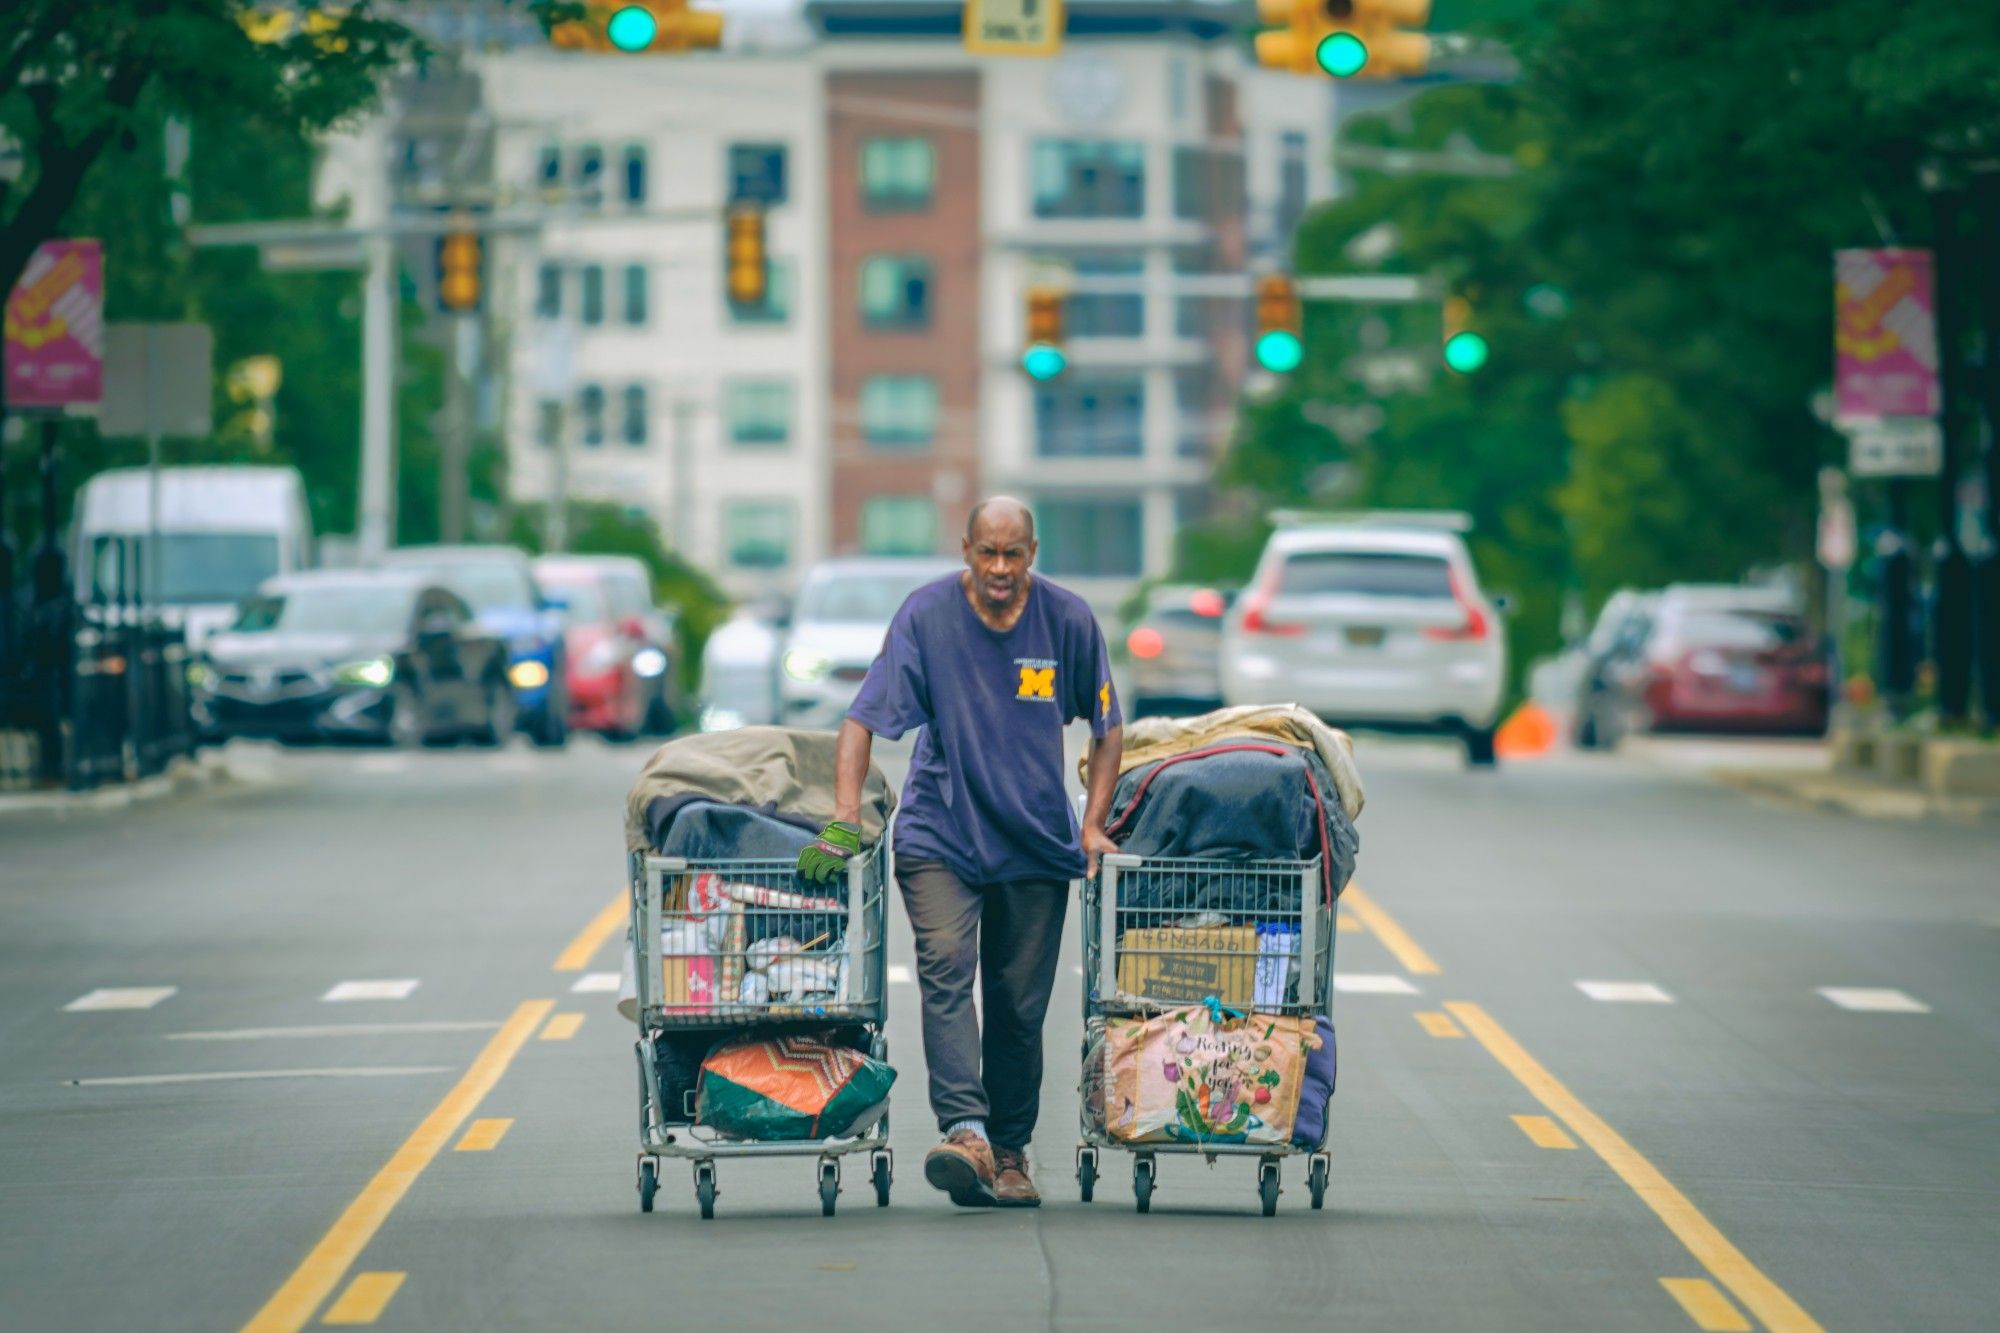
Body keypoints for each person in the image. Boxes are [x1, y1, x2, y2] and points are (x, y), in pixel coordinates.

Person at [796, 497, 1123, 1207]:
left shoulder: (1067, 620)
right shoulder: (926, 615)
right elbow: (862, 722)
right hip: (939, 834)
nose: (1000, 568)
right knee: (945, 964)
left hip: (1036, 842)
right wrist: (846, 817)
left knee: (1017, 1004)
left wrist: (1092, 823)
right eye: (987, 552)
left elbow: (1106, 726)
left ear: (1032, 551)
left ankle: (1009, 1152)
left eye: (1013, 553)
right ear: (966, 548)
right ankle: (966, 1131)